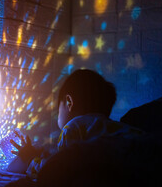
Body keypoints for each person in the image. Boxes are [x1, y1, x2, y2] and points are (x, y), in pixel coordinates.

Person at [9, 69, 144, 178]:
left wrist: (29, 157)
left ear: (69, 102)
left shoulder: (74, 128)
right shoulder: (110, 127)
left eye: (58, 107)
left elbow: (56, 173)